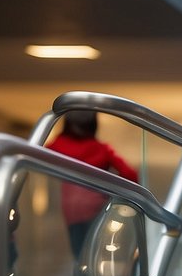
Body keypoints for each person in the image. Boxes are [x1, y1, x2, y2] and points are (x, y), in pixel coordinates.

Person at [46, 111, 140, 261]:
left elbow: (36, 158)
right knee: (93, 253)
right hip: (97, 206)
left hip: (71, 208)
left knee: (78, 253)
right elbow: (130, 175)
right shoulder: (101, 149)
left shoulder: (57, 147)